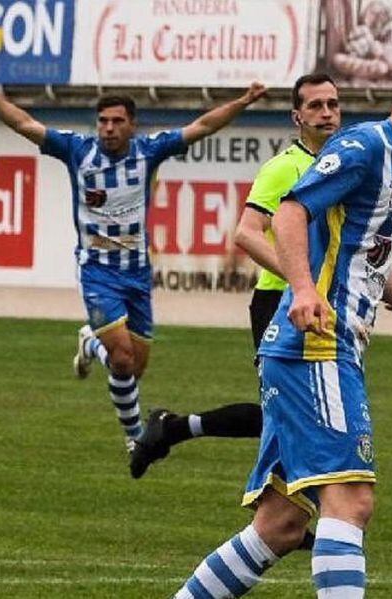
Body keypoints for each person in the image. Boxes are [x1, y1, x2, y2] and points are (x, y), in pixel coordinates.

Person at [172, 40, 392, 599]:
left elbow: (369, 271)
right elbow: (291, 210)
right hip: (317, 346)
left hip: (318, 350)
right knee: (351, 501)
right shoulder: (365, 145)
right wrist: (299, 289)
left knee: (280, 526)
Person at [0, 71, 265, 460]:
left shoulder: (149, 151)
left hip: (137, 274)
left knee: (133, 367)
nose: (108, 128)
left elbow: (202, 126)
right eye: (103, 121)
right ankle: (136, 436)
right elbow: (25, 123)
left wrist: (243, 101)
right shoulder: (77, 150)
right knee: (123, 359)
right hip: (96, 272)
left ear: (132, 124)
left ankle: (90, 342)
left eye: (117, 121)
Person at [129, 72, 342, 479]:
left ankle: (174, 428)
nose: (326, 113)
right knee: (292, 416)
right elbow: (246, 232)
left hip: (319, 302)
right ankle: (282, 520)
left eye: (332, 104)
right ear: (297, 117)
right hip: (280, 302)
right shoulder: (285, 168)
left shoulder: (341, 166)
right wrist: (301, 281)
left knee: (297, 416)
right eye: (315, 106)